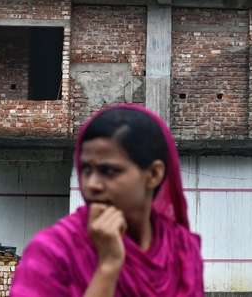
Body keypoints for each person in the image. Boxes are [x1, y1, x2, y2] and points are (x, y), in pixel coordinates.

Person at [10, 104, 204, 296]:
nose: (92, 184)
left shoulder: (181, 249)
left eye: (109, 171)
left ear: (154, 174)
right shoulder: (53, 251)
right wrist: (108, 266)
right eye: (86, 169)